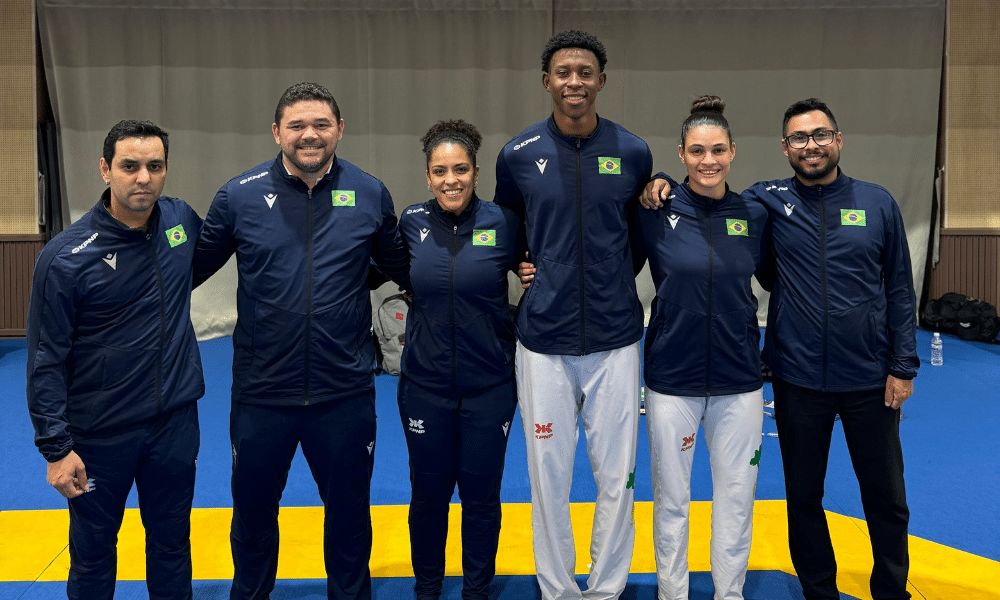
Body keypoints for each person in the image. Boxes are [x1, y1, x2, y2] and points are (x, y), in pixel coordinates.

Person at [642, 98, 919, 600]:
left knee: (886, 498)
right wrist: (659, 178)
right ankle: (819, 591)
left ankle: (892, 591)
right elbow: (703, 190)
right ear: (784, 148)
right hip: (796, 378)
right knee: (804, 498)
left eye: (819, 135)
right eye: (798, 138)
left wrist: (903, 365)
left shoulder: (877, 203)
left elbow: (900, 287)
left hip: (870, 377)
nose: (809, 146)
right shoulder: (765, 202)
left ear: (838, 140)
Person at [193, 82, 410, 600]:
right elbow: (186, 269)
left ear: (339, 129)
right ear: (276, 133)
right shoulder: (238, 196)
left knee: (350, 520)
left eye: (320, 125)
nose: (309, 135)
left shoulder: (370, 192)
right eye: (296, 126)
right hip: (262, 393)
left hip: (344, 392)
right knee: (252, 519)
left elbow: (400, 265)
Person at [493, 30, 653, 600]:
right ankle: (557, 589)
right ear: (546, 82)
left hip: (614, 338)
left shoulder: (633, 153)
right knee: (548, 479)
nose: (574, 83)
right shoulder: (516, 155)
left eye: (585, 72)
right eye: (563, 73)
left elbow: (639, 235)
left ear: (601, 81)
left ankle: (607, 588)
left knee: (617, 478)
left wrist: (608, 275)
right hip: (542, 340)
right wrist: (525, 267)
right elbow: (506, 227)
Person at [26, 120, 205, 600]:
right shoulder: (66, 257)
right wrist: (56, 449)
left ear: (166, 169)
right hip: (100, 432)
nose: (142, 177)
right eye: (129, 166)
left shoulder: (182, 221)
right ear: (106, 169)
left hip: (173, 424)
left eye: (154, 166)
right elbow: (45, 358)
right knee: (94, 551)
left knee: (171, 544)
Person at [632, 96, 770, 600]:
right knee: (673, 499)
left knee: (736, 497)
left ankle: (728, 593)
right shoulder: (655, 207)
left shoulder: (756, 211)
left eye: (717, 150)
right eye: (696, 151)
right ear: (682, 153)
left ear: (733, 151)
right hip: (672, 376)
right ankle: (674, 593)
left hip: (740, 378)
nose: (707, 160)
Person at [396, 119, 523, 600]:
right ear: (427, 176)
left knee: (481, 498)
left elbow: (539, 268)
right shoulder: (410, 224)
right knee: (428, 497)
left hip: (489, 388)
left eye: (461, 169)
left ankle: (476, 589)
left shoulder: (504, 223)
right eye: (440, 171)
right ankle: (426, 588)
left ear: (475, 171)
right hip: (424, 388)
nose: (452, 179)